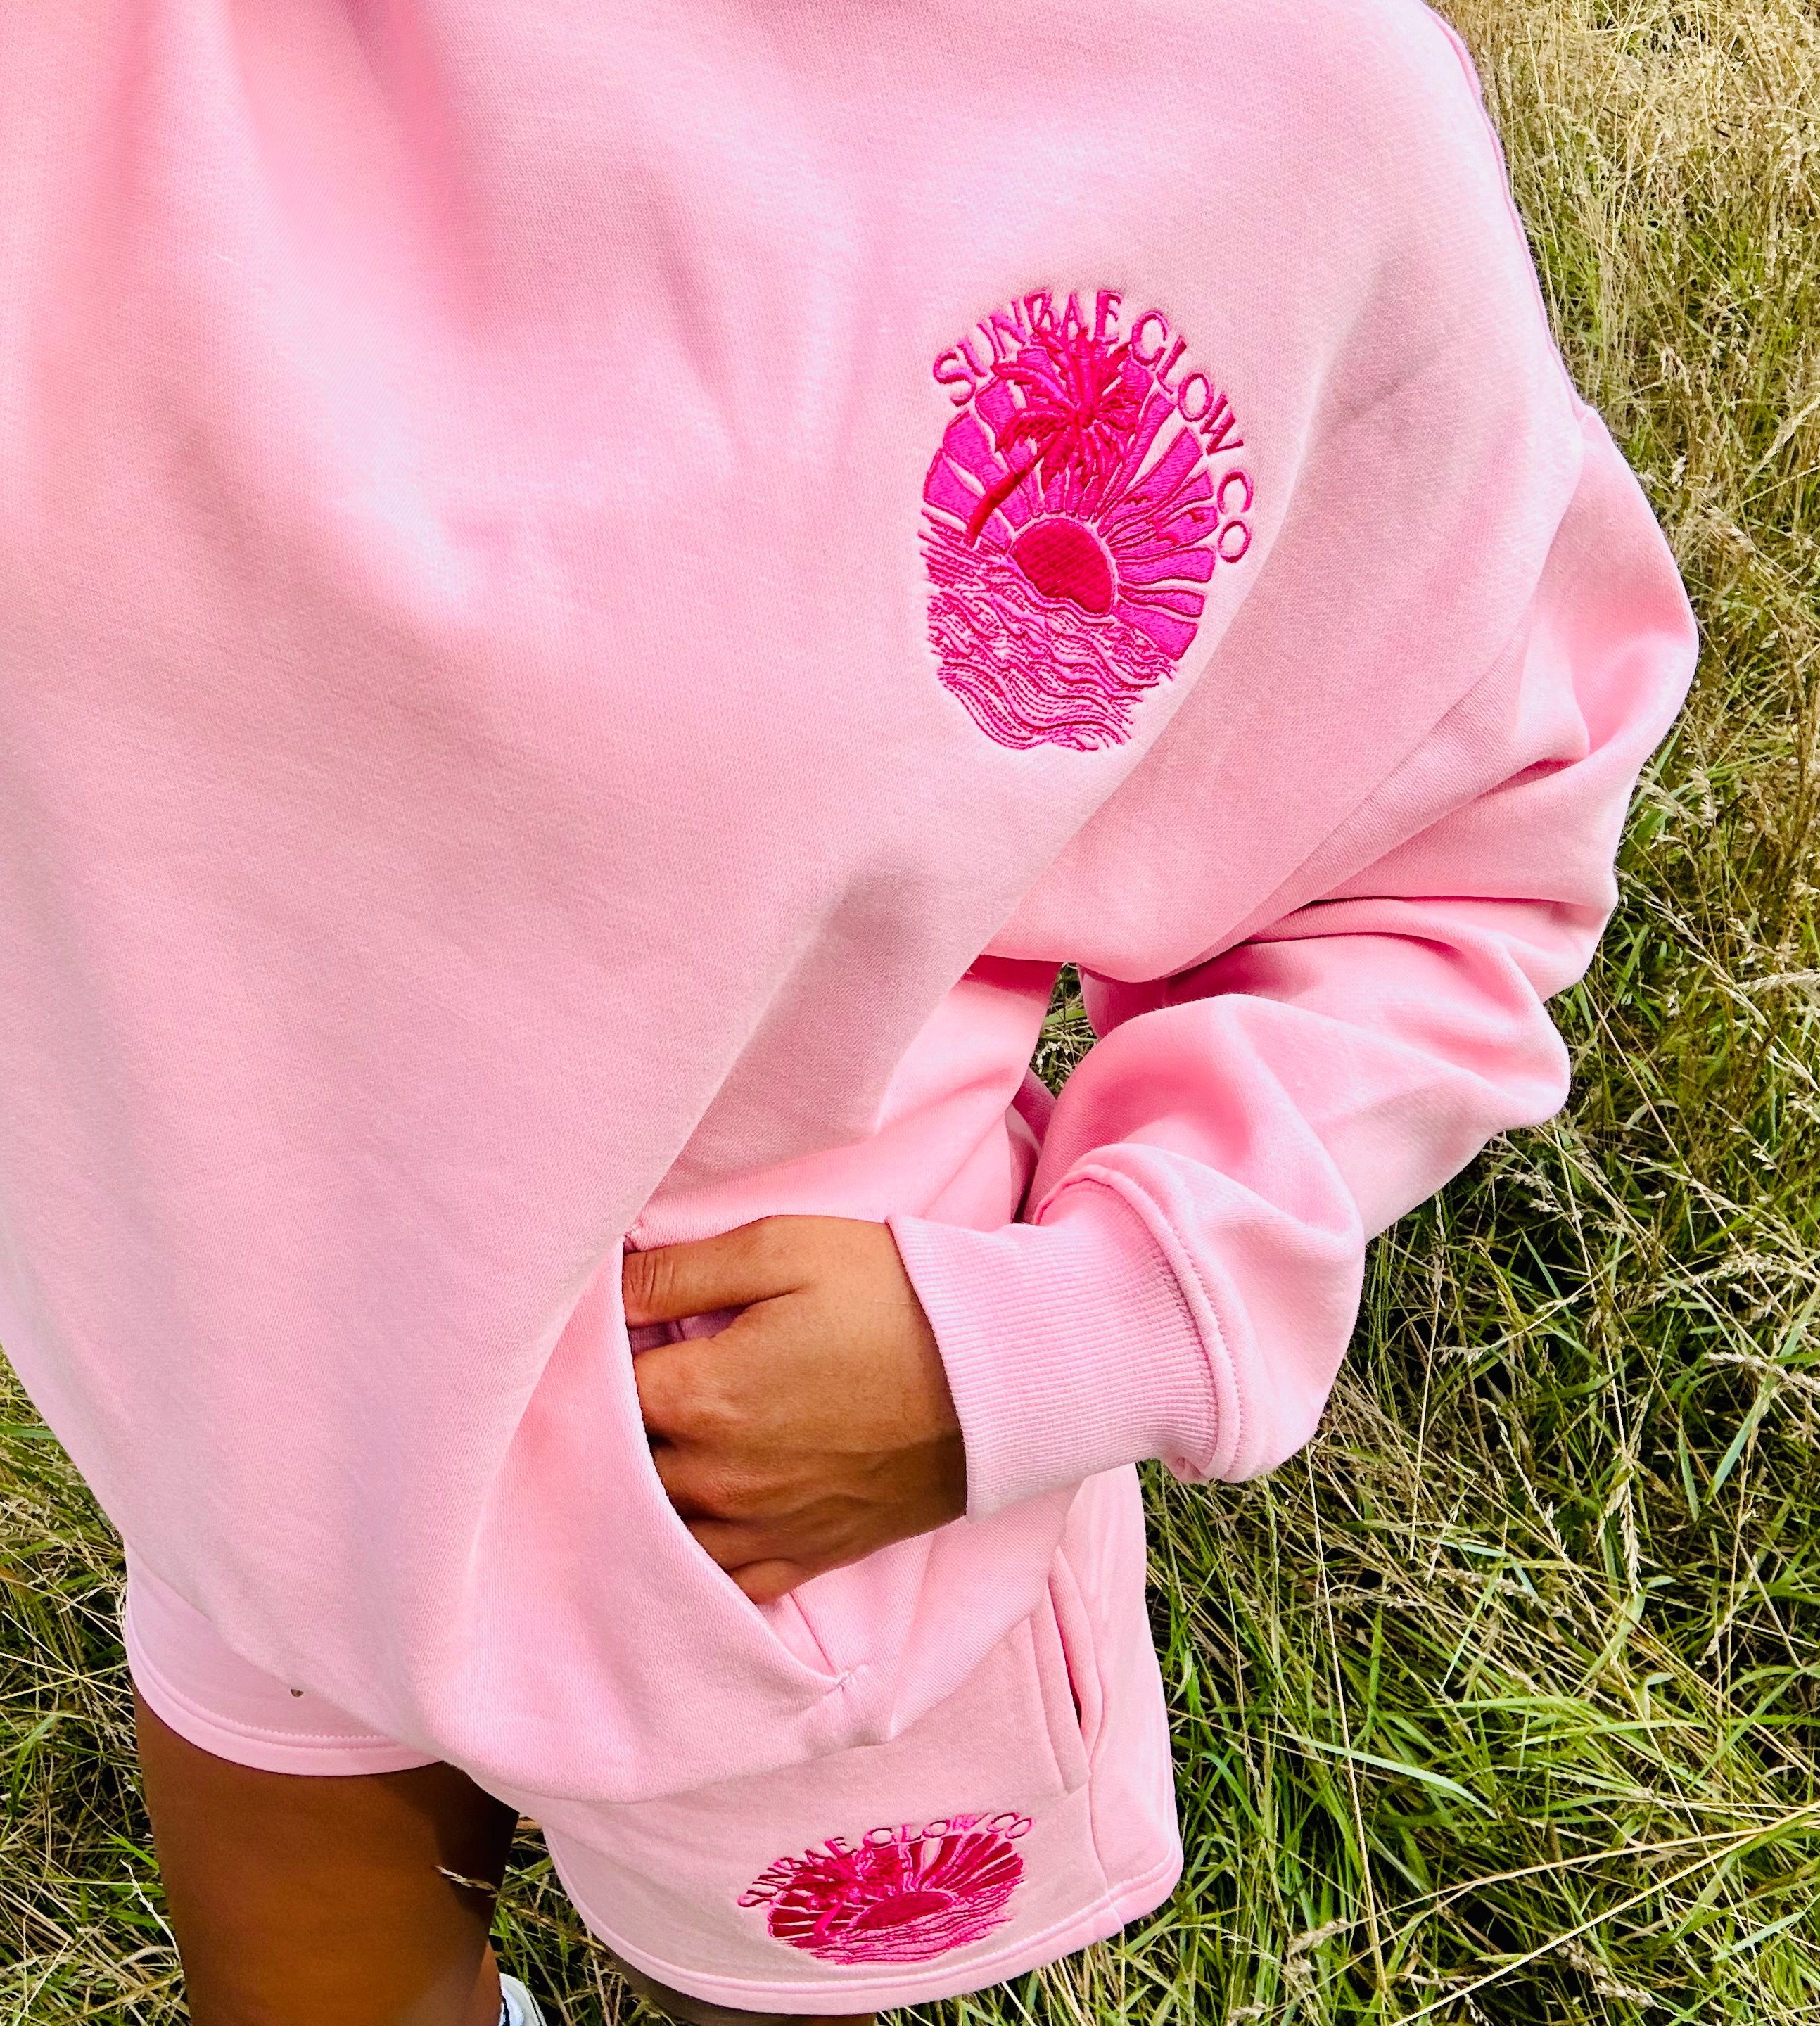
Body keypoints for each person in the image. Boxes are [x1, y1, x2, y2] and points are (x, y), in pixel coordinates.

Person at [0, 1, 1696, 2020]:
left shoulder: (1270, 96)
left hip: (787, 1518)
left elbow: (1469, 837)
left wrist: (1060, 1332)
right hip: (237, 1447)